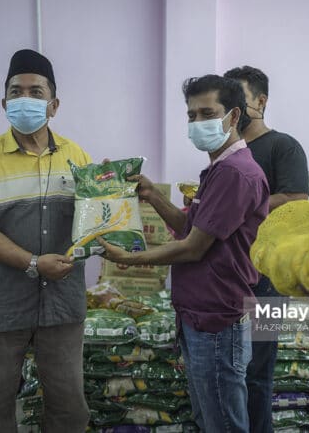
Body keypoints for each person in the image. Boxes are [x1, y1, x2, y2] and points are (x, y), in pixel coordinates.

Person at [99, 74, 269, 433]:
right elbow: (190, 228)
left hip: (219, 319)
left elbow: (193, 249)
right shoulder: (218, 170)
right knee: (208, 418)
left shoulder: (237, 174)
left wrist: (128, 259)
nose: (196, 123)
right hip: (199, 314)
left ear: (234, 116)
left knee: (223, 423)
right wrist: (153, 195)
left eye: (207, 113)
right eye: (191, 115)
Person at [0, 49, 91, 432]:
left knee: (68, 408)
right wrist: (32, 263)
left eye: (35, 91)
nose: (25, 99)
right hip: (1, 305)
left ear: (54, 104)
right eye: (16, 91)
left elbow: (94, 221)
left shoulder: (77, 157)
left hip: (61, 306)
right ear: (4, 102)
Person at [224, 65, 309, 433]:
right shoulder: (229, 151)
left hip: (268, 279)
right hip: (231, 275)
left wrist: (242, 201)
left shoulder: (282, 145)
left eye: (239, 100)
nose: (233, 110)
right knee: (231, 372)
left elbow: (297, 199)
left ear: (261, 101)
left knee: (257, 374)